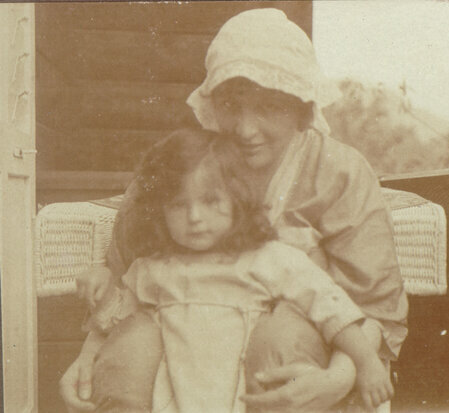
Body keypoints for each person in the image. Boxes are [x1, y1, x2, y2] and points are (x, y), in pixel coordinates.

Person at [61, 7, 408, 412]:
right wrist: (92, 358)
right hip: (185, 360)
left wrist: (339, 378)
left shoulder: (339, 173)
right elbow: (129, 282)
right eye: (231, 105)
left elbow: (373, 306)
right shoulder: (181, 165)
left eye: (269, 107)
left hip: (307, 363)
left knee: (280, 338)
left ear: (302, 107)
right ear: (211, 104)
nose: (245, 129)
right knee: (132, 350)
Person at [82, 129, 394, 412]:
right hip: (178, 395)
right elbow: (121, 324)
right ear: (160, 211)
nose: (194, 217)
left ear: (236, 199)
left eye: (211, 201)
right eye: (178, 205)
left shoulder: (269, 258)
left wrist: (366, 362)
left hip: (246, 391)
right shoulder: (152, 268)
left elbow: (330, 309)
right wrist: (103, 291)